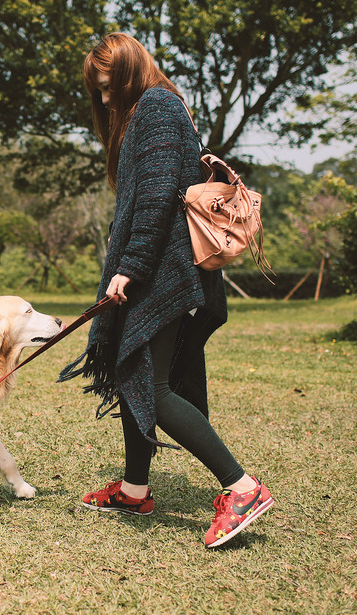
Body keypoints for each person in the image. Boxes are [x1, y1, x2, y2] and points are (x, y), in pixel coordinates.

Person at [59, 33, 273, 548]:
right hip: (164, 268)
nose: (106, 100)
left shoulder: (155, 107)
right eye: (100, 91)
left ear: (132, 73)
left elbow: (157, 199)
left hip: (164, 271)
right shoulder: (157, 108)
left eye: (109, 87)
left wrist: (129, 267)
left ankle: (243, 488)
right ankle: (135, 489)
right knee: (136, 369)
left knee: (151, 386)